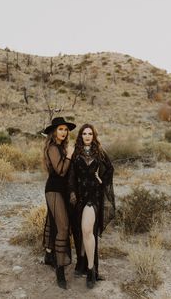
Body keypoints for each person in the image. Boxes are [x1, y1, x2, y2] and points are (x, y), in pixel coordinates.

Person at [68, 123, 115, 289]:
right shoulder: (76, 153)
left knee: (88, 230)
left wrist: (101, 182)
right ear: (80, 136)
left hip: (93, 197)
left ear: (94, 136)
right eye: (84, 134)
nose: (87, 136)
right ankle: (86, 266)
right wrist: (73, 195)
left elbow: (110, 169)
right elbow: (71, 177)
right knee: (81, 234)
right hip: (79, 198)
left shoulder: (100, 152)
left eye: (90, 134)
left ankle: (90, 270)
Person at [42, 117, 76, 289]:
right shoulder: (53, 147)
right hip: (54, 189)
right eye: (60, 129)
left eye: (65, 129)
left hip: (62, 190)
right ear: (54, 131)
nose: (63, 132)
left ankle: (49, 255)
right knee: (62, 227)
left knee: (52, 221)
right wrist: (70, 155)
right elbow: (61, 170)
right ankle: (60, 271)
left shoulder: (62, 147)